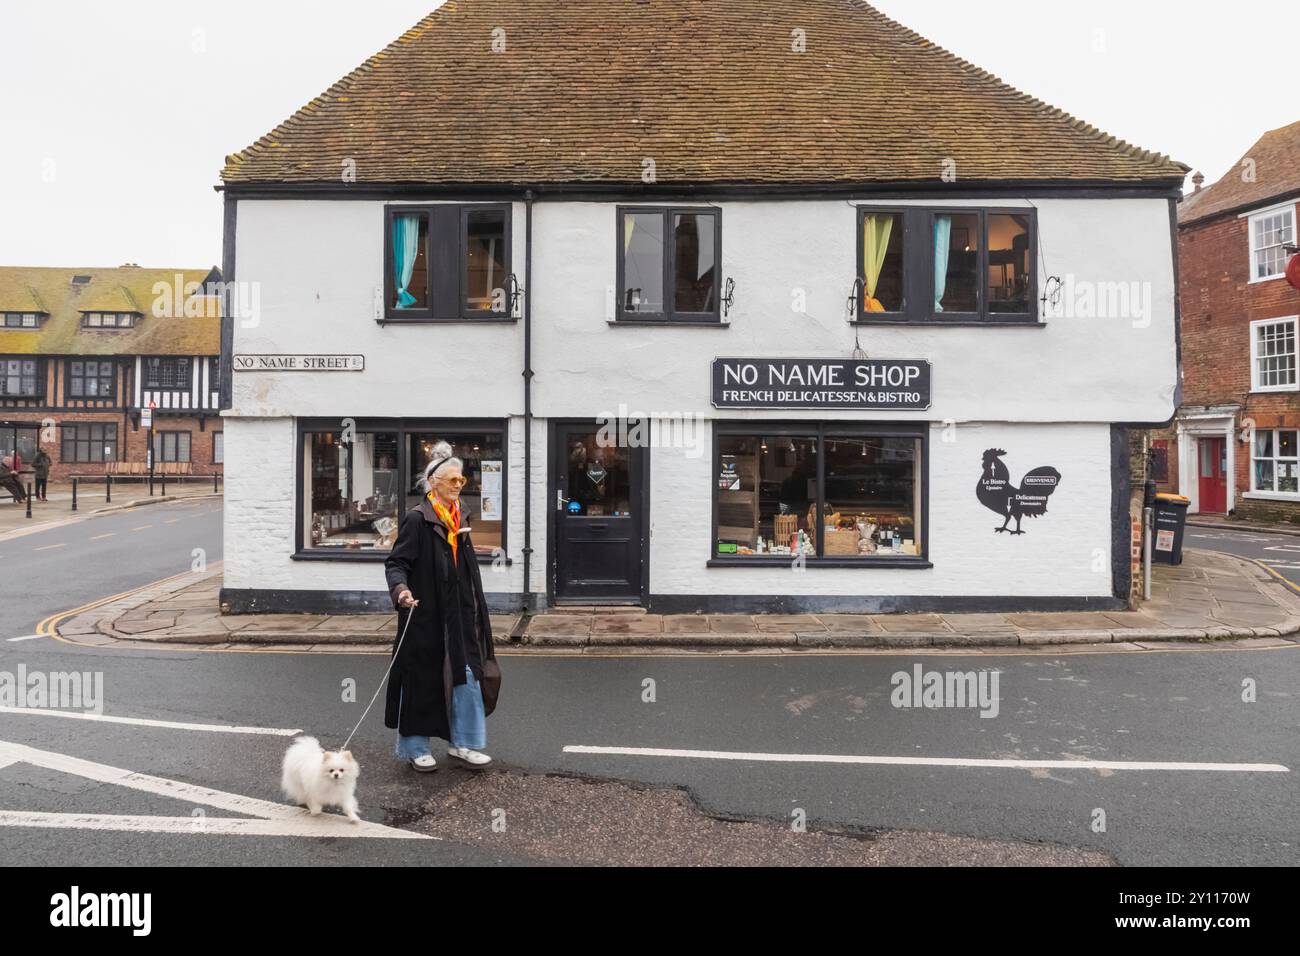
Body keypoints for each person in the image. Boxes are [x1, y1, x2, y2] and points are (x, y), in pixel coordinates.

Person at [383, 441, 497, 772]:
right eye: (453, 480)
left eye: (462, 480)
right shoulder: (418, 520)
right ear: (434, 483)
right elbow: (396, 563)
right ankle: (416, 746)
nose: (459, 485)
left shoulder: (460, 518)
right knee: (423, 677)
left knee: (465, 676)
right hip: (425, 614)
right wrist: (401, 590)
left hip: (459, 614)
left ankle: (464, 743)